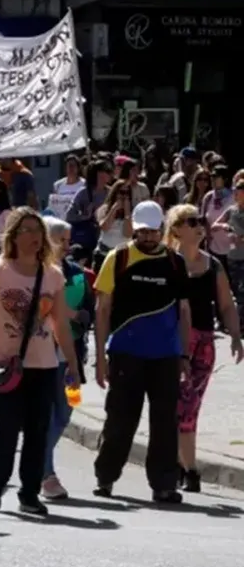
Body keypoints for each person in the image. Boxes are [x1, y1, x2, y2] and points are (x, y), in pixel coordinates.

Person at [0, 208, 80, 517]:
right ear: (13, 236)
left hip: (44, 365)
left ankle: (29, 493)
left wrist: (73, 365)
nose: (33, 237)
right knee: (8, 426)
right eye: (26, 230)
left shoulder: (52, 275)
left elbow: (60, 325)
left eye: (37, 231)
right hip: (5, 364)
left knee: (38, 431)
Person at [92, 200, 190, 503]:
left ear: (162, 230)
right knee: (120, 419)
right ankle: (106, 478)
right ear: (134, 228)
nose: (149, 237)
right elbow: (103, 309)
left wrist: (184, 356)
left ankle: (164, 484)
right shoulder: (117, 258)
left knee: (164, 422)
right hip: (125, 353)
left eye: (154, 232)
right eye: (143, 231)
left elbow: (184, 311)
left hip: (165, 356)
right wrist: (99, 358)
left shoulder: (175, 263)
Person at [163, 204, 244, 493]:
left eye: (201, 220)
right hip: (172, 343)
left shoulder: (214, 265)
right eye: (191, 221)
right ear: (175, 230)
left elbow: (226, 305)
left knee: (189, 407)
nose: (200, 225)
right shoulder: (167, 263)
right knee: (177, 405)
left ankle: (185, 468)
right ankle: (184, 468)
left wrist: (235, 336)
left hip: (204, 344)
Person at [40, 217, 92, 500]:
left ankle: (36, 458)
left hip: (72, 356)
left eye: (68, 239)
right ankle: (46, 473)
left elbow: (88, 309)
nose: (67, 244)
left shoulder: (76, 273)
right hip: (43, 356)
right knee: (47, 416)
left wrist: (83, 316)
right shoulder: (36, 273)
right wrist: (68, 314)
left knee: (69, 407)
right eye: (62, 239)